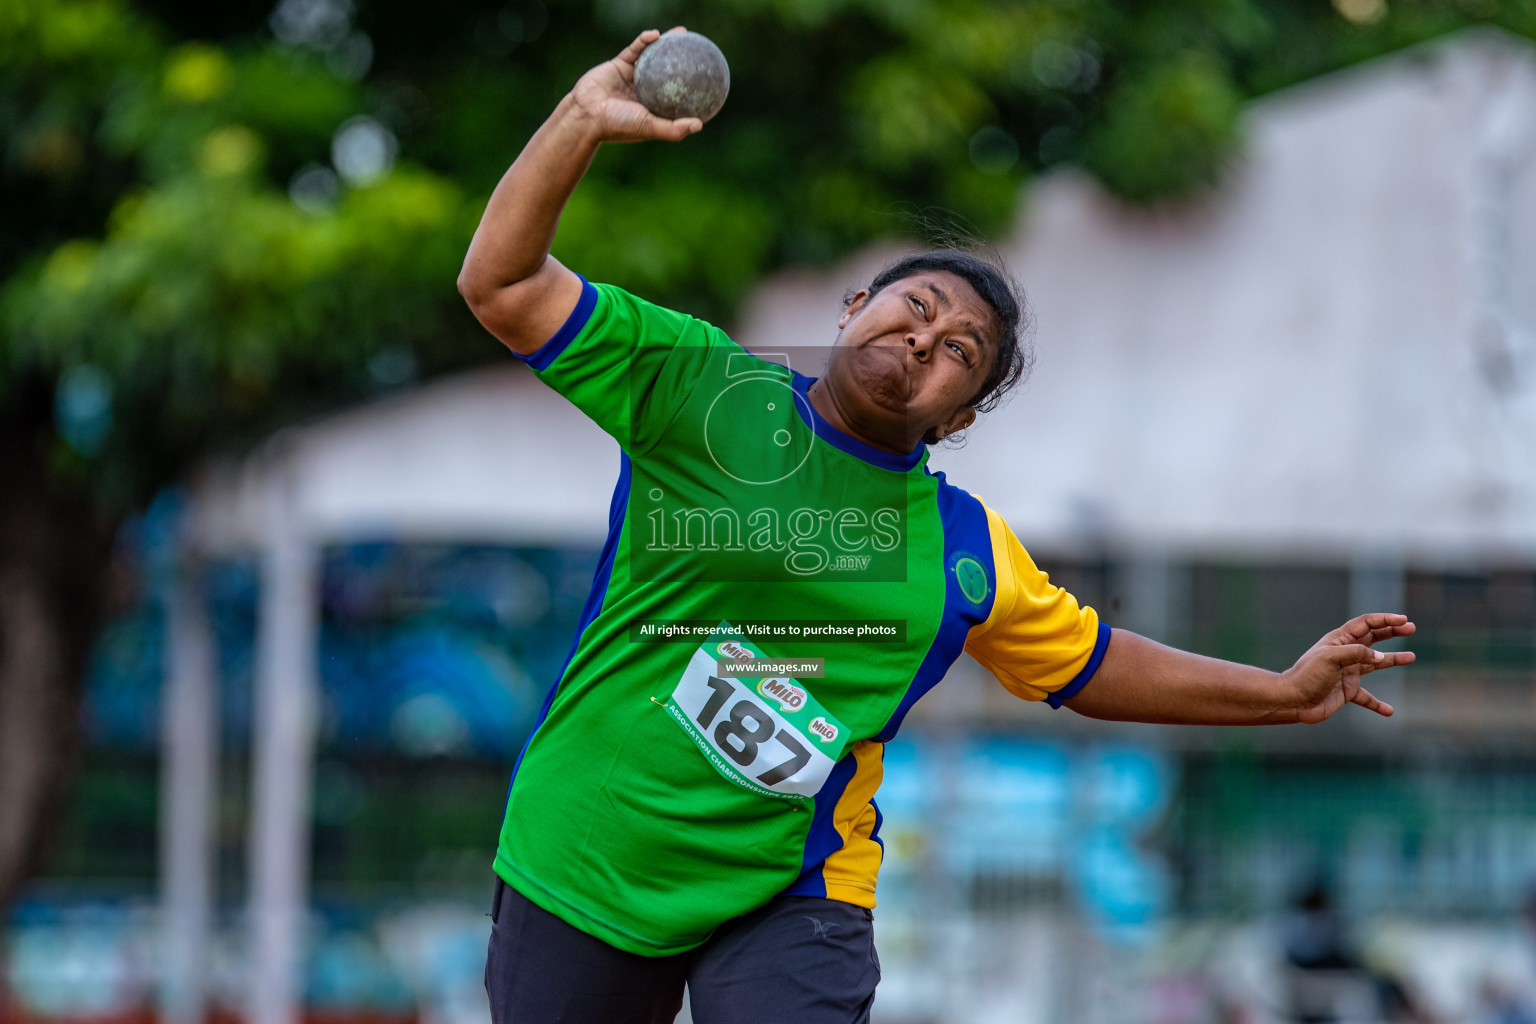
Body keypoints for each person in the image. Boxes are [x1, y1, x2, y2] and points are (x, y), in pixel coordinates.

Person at [456, 28, 1416, 1024]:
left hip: (791, 889)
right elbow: (504, 286)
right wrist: (578, 122)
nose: (924, 336)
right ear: (854, 305)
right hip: (584, 848)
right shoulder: (702, 389)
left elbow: (1094, 665)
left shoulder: (960, 550)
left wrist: (1284, 693)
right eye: (915, 306)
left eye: (960, 350)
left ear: (958, 418)